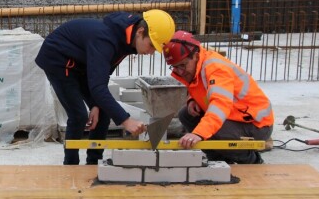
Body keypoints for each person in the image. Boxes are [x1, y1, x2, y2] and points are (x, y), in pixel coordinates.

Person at [35, 10, 176, 165]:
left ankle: (94, 163)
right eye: (151, 45)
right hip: (58, 60)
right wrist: (126, 120)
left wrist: (96, 104)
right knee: (79, 115)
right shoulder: (106, 40)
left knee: (102, 113)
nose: (151, 52)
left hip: (81, 63)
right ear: (140, 32)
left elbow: (104, 73)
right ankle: (71, 164)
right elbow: (98, 88)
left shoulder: (126, 40)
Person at [163, 30, 273, 164]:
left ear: (196, 56)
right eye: (175, 67)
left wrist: (198, 134)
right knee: (186, 115)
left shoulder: (216, 68)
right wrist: (192, 99)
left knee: (216, 131)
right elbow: (196, 86)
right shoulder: (195, 66)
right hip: (234, 116)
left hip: (256, 125)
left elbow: (220, 105)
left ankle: (252, 161)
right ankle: (218, 159)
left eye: (182, 65)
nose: (179, 71)